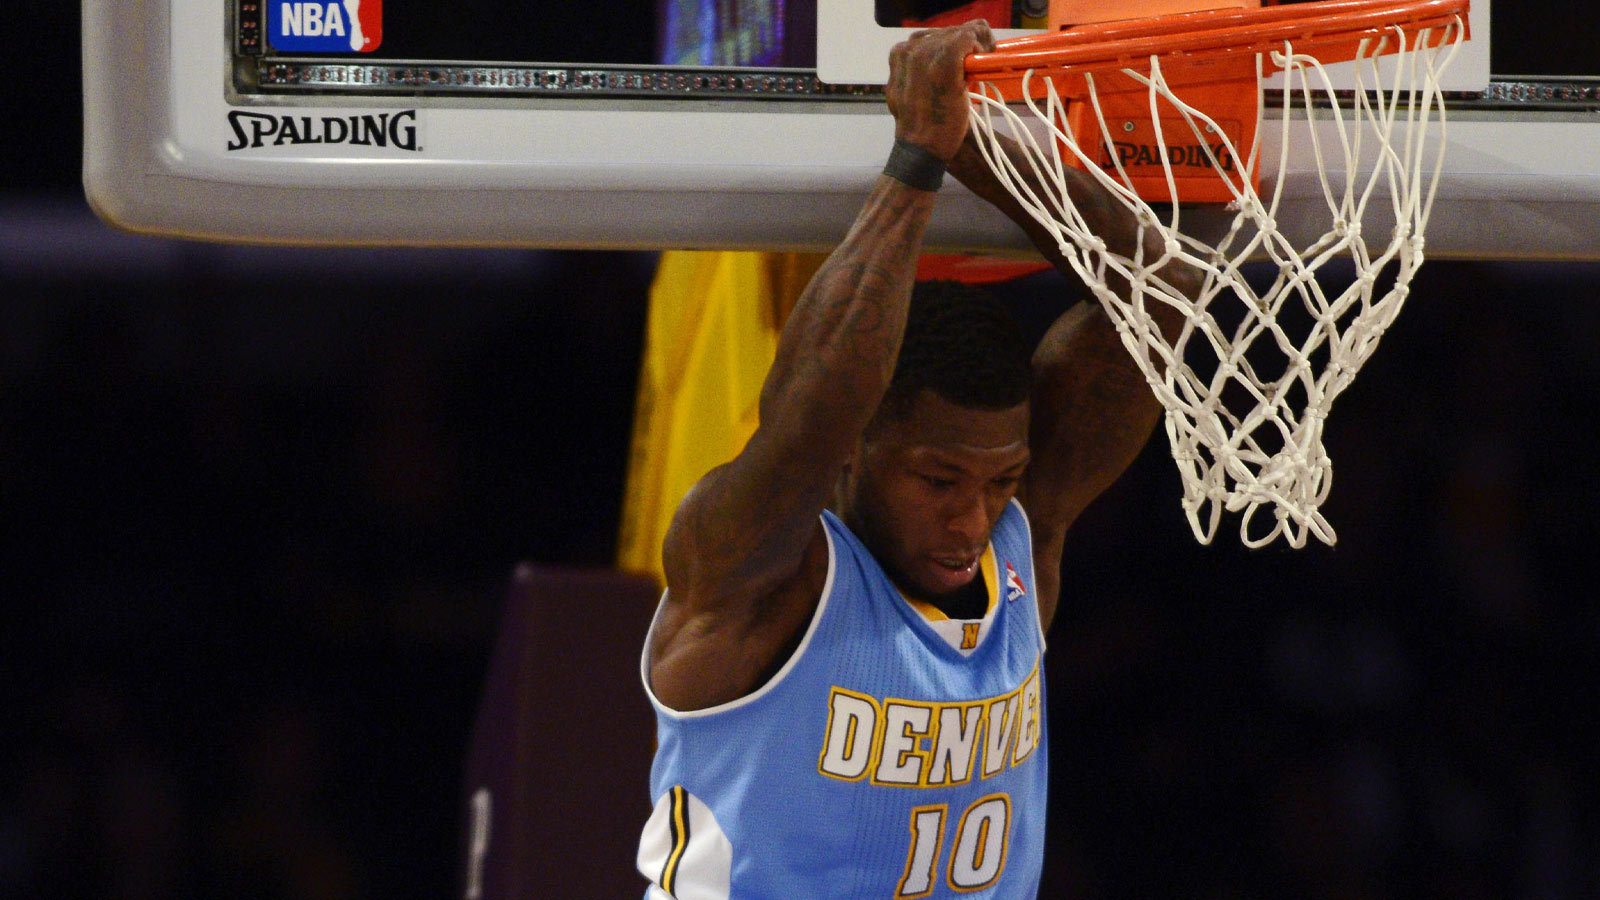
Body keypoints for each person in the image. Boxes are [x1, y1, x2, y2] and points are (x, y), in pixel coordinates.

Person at [635, 20, 1195, 899]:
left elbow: (1162, 295)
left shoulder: (1020, 540)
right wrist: (915, 163)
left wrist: (975, 150)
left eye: (998, 482)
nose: (971, 520)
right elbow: (810, 414)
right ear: (856, 452)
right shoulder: (757, 572)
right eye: (938, 480)